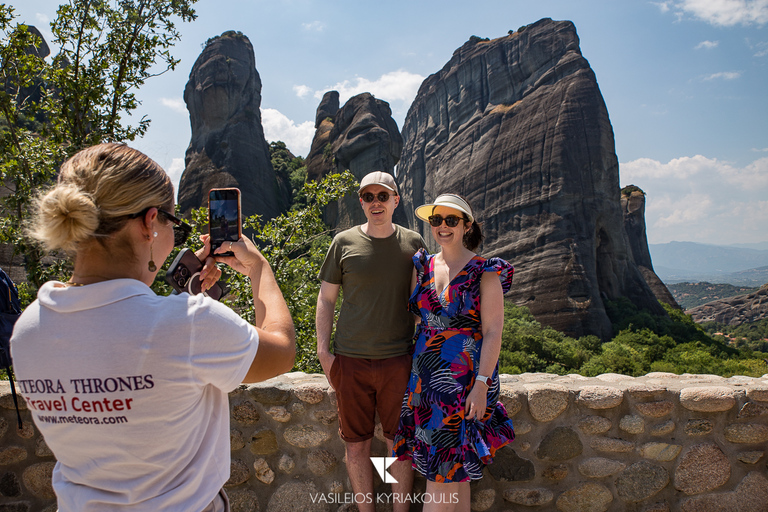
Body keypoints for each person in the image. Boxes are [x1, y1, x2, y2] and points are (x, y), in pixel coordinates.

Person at [10, 143, 295, 512]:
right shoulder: (188, 325)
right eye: (173, 224)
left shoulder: (29, 328)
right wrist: (259, 268)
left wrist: (187, 295)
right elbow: (281, 349)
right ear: (149, 222)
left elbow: (116, 322)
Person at [392, 193, 515, 512]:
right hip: (424, 387)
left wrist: (482, 384)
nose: (442, 226)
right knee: (453, 479)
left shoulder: (485, 272)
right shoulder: (422, 265)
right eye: (436, 220)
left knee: (441, 478)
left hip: (464, 386)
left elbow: (493, 333)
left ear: (466, 225)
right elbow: (420, 321)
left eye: (451, 220)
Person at [316, 171, 426, 512]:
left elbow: (422, 306)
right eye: (368, 197)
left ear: (396, 200)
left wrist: (421, 360)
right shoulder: (343, 242)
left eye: (383, 196)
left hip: (398, 361)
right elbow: (326, 300)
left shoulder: (414, 244)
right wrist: (323, 352)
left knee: (399, 445)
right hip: (350, 361)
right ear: (361, 202)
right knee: (356, 446)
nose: (375, 203)